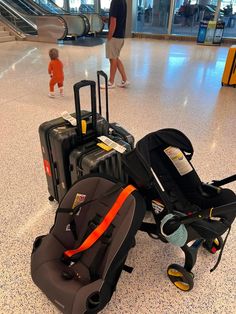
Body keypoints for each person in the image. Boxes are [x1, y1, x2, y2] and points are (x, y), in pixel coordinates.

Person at [102, 0, 129, 89]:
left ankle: (111, 82)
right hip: (120, 35)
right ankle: (125, 80)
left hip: (115, 36)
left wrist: (109, 36)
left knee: (113, 59)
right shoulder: (123, 1)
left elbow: (114, 21)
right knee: (116, 58)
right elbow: (118, 18)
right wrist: (107, 19)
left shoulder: (115, 2)